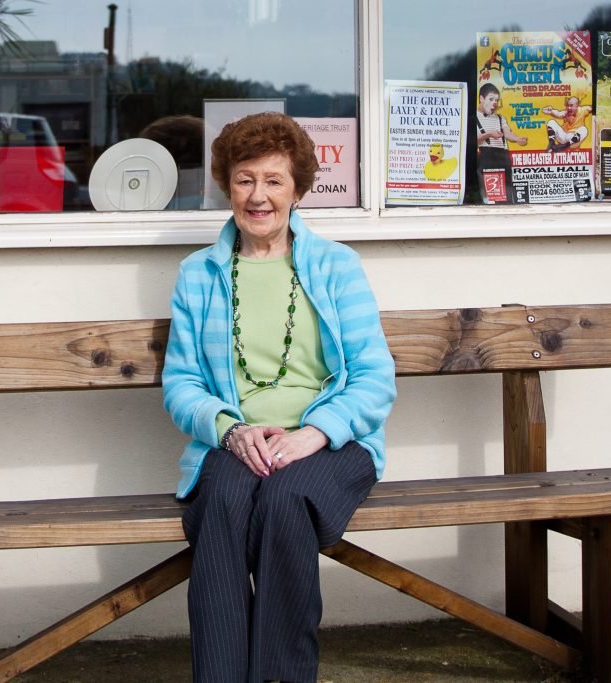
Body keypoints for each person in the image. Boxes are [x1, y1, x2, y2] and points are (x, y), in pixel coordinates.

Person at [162, 112, 396, 683]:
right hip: (237, 444)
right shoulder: (199, 274)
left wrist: (313, 433)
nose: (258, 196)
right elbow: (181, 383)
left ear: (297, 188)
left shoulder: (337, 267)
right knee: (221, 504)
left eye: (273, 180)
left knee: (283, 502)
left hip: (330, 444)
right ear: (227, 185)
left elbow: (373, 377)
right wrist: (229, 429)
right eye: (245, 180)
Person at [475, 83, 527, 201]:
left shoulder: (500, 118)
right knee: (490, 194)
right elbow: (472, 140)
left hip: (503, 157)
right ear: (481, 98)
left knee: (506, 194)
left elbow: (507, 133)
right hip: (486, 158)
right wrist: (488, 134)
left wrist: (517, 139)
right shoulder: (473, 117)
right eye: (491, 99)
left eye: (496, 100)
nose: (494, 103)